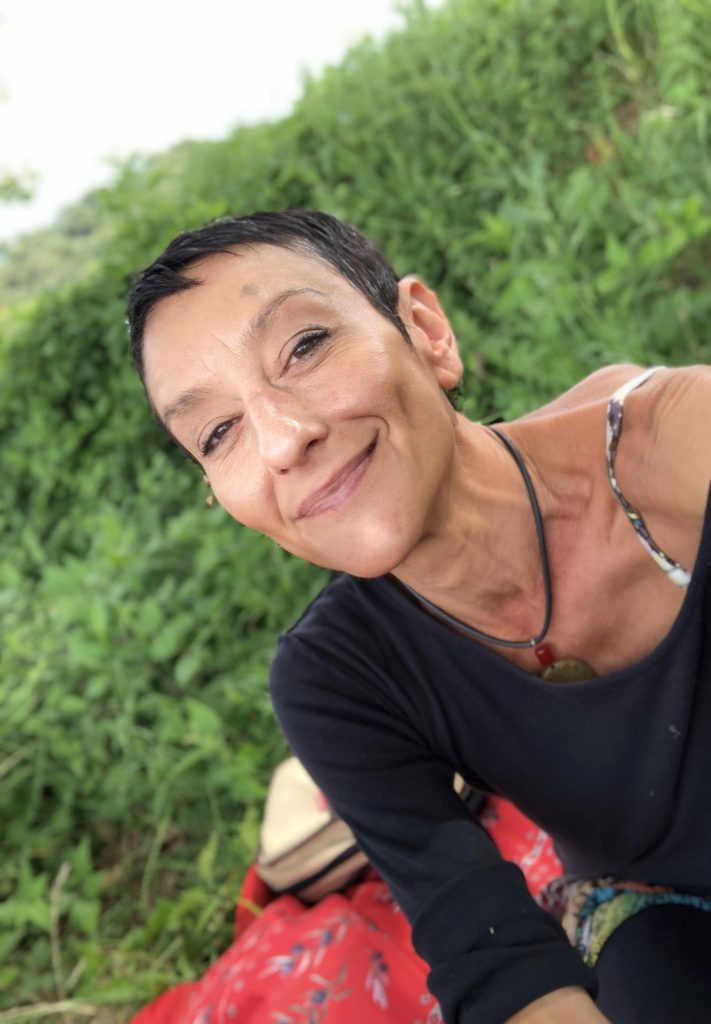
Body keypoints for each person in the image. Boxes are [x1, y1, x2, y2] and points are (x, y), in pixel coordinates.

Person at [127, 209, 711, 1024]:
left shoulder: (680, 448)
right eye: (218, 431)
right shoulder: (335, 675)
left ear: (425, 331)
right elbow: (492, 950)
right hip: (663, 907)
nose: (283, 441)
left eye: (304, 346)